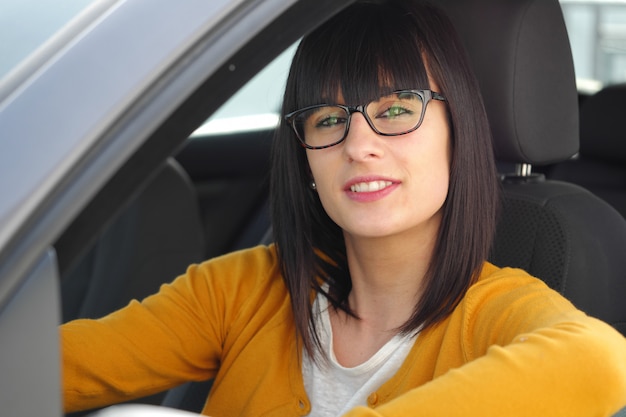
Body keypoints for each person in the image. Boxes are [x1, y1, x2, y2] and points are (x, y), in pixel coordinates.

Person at [61, 1, 626, 416]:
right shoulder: (245, 289)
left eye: (399, 109)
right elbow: (57, 368)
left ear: (460, 135)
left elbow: (602, 362)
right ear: (306, 157)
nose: (359, 145)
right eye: (329, 119)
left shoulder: (497, 313)